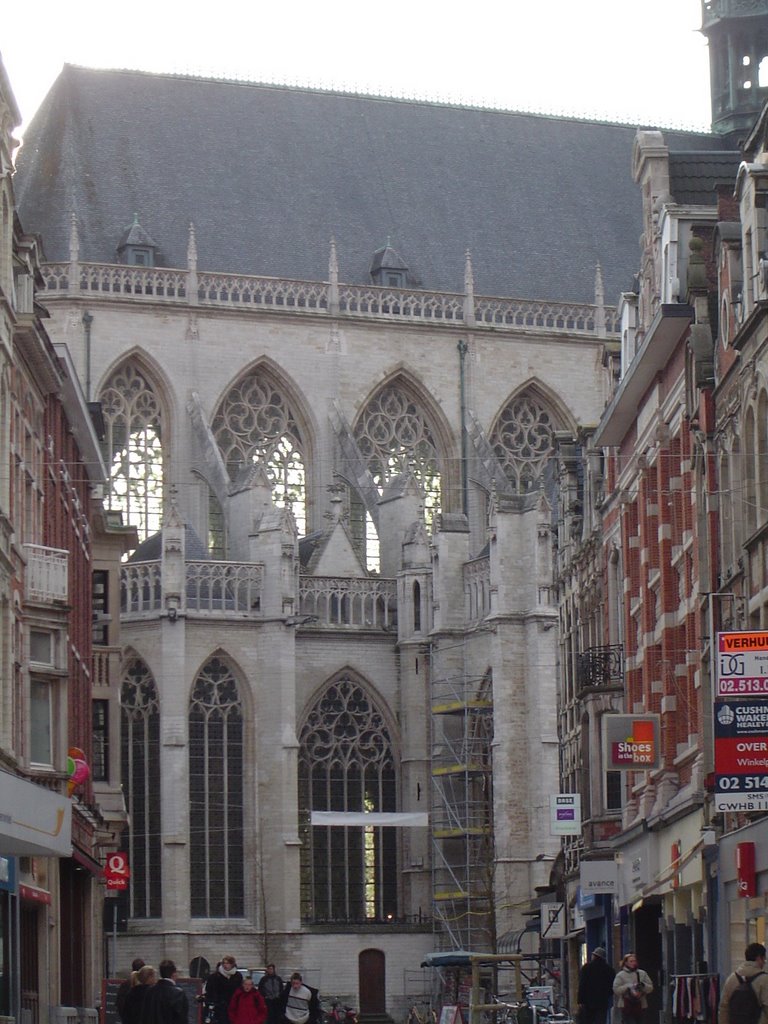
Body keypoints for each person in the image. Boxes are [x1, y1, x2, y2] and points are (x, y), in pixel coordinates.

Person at [719, 942, 768, 1024]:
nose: (764, 963)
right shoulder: (764, 980)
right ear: (759, 958)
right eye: (764, 959)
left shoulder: (732, 978)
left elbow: (723, 1007)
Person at [577, 947, 615, 1024]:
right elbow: (612, 985)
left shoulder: (586, 968)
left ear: (594, 956)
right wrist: (607, 994)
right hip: (602, 1000)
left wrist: (580, 1000)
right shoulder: (609, 969)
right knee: (600, 1020)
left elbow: (582, 985)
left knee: (588, 1020)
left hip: (588, 1001)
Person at [144, 959, 189, 1024]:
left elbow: (145, 1016)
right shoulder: (178, 994)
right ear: (174, 973)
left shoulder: (150, 991)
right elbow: (182, 1019)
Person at [613, 953, 653, 1024]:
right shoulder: (620, 975)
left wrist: (643, 985)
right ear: (626, 963)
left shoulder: (642, 973)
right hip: (626, 1005)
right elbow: (616, 989)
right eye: (631, 961)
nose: (633, 963)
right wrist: (627, 986)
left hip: (640, 1005)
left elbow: (650, 987)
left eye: (634, 961)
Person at [205, 956, 244, 1024]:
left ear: (232, 964)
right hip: (219, 1005)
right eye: (224, 963)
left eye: (228, 963)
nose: (225, 965)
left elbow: (239, 989)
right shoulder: (215, 976)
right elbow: (209, 990)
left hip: (233, 1004)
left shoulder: (237, 975)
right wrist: (212, 1001)